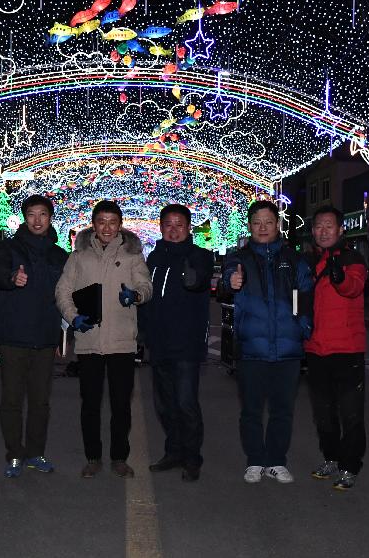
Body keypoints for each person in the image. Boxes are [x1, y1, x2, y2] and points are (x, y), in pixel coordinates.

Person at [55, 200, 152, 479]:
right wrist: (73, 317)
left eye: (112, 222)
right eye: (101, 221)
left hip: (122, 340)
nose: (107, 227)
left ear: (120, 225)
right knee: (90, 403)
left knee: (122, 403)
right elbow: (62, 290)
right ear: (93, 224)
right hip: (89, 341)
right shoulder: (79, 256)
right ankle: (93, 456)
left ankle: (119, 457)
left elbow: (146, 285)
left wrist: (135, 295)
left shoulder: (133, 255)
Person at [220, 200, 313, 484]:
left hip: (287, 349)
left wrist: (302, 326)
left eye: (268, 222)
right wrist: (230, 281)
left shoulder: (294, 259)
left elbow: (304, 296)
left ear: (278, 225)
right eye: (257, 222)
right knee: (251, 409)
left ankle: (276, 460)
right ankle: (255, 460)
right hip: (252, 349)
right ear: (250, 226)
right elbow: (228, 279)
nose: (263, 227)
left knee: (282, 410)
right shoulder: (240, 258)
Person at [0, 194, 68, 477]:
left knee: (40, 401)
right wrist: (12, 278)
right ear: (25, 217)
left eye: (43, 214)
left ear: (50, 218)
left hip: (46, 337)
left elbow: (69, 291)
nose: (37, 220)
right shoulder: (9, 249)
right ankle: (14, 454)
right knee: (11, 400)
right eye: (32, 214)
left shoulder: (59, 255)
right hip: (13, 337)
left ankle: (35, 453)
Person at [141, 204, 214, 482]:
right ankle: (173, 452)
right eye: (168, 225)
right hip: (159, 343)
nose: (173, 230)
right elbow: (147, 297)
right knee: (165, 405)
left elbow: (199, 279)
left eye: (179, 225)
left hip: (186, 344)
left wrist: (194, 278)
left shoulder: (199, 256)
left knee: (186, 403)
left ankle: (192, 457)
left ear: (188, 228)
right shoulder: (154, 258)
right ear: (161, 227)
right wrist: (143, 330)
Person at [305, 204, 367, 491]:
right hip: (316, 349)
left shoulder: (353, 259)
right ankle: (330, 457)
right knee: (323, 413)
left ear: (341, 229)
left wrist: (340, 277)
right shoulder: (309, 261)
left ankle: (349, 466)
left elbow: (353, 286)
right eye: (319, 226)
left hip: (347, 350)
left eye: (329, 225)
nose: (324, 230)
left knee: (351, 413)